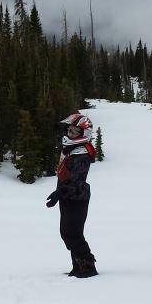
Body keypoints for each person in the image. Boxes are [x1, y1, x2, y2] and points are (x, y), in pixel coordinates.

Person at [46, 113, 97, 278]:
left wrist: (59, 192)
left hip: (77, 196)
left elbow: (77, 180)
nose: (70, 134)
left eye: (74, 132)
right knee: (66, 232)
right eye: (69, 130)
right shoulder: (71, 149)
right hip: (68, 195)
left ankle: (87, 266)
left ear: (83, 134)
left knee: (73, 232)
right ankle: (77, 266)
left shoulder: (82, 153)